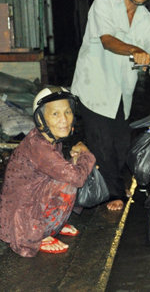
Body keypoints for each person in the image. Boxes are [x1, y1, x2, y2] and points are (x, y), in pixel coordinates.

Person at [71, 0, 150, 211]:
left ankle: (105, 183)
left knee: (121, 144)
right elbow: (108, 40)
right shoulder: (103, 4)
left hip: (120, 91)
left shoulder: (146, 19)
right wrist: (135, 50)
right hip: (93, 85)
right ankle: (113, 194)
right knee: (102, 142)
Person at [0, 87, 95, 257]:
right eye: (55, 114)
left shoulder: (49, 139)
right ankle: (39, 234)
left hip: (32, 201)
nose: (64, 120)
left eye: (67, 112)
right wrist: (85, 155)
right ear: (41, 119)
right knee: (70, 179)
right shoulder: (38, 146)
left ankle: (53, 225)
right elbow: (76, 178)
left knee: (70, 170)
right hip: (20, 221)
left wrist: (76, 160)